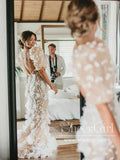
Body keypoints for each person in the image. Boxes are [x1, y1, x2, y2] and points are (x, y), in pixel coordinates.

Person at [66, 0, 120, 159]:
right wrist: (118, 142)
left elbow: (84, 89)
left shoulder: (79, 47)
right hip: (103, 121)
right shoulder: (93, 49)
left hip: (94, 116)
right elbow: (102, 106)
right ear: (95, 18)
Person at [17, 31, 58, 159]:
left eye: (34, 39)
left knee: (35, 113)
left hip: (31, 84)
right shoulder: (35, 50)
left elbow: (28, 71)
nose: (33, 42)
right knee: (39, 114)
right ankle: (37, 142)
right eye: (29, 40)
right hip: (38, 84)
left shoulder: (21, 54)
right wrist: (51, 84)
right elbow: (40, 70)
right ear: (24, 40)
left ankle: (33, 139)